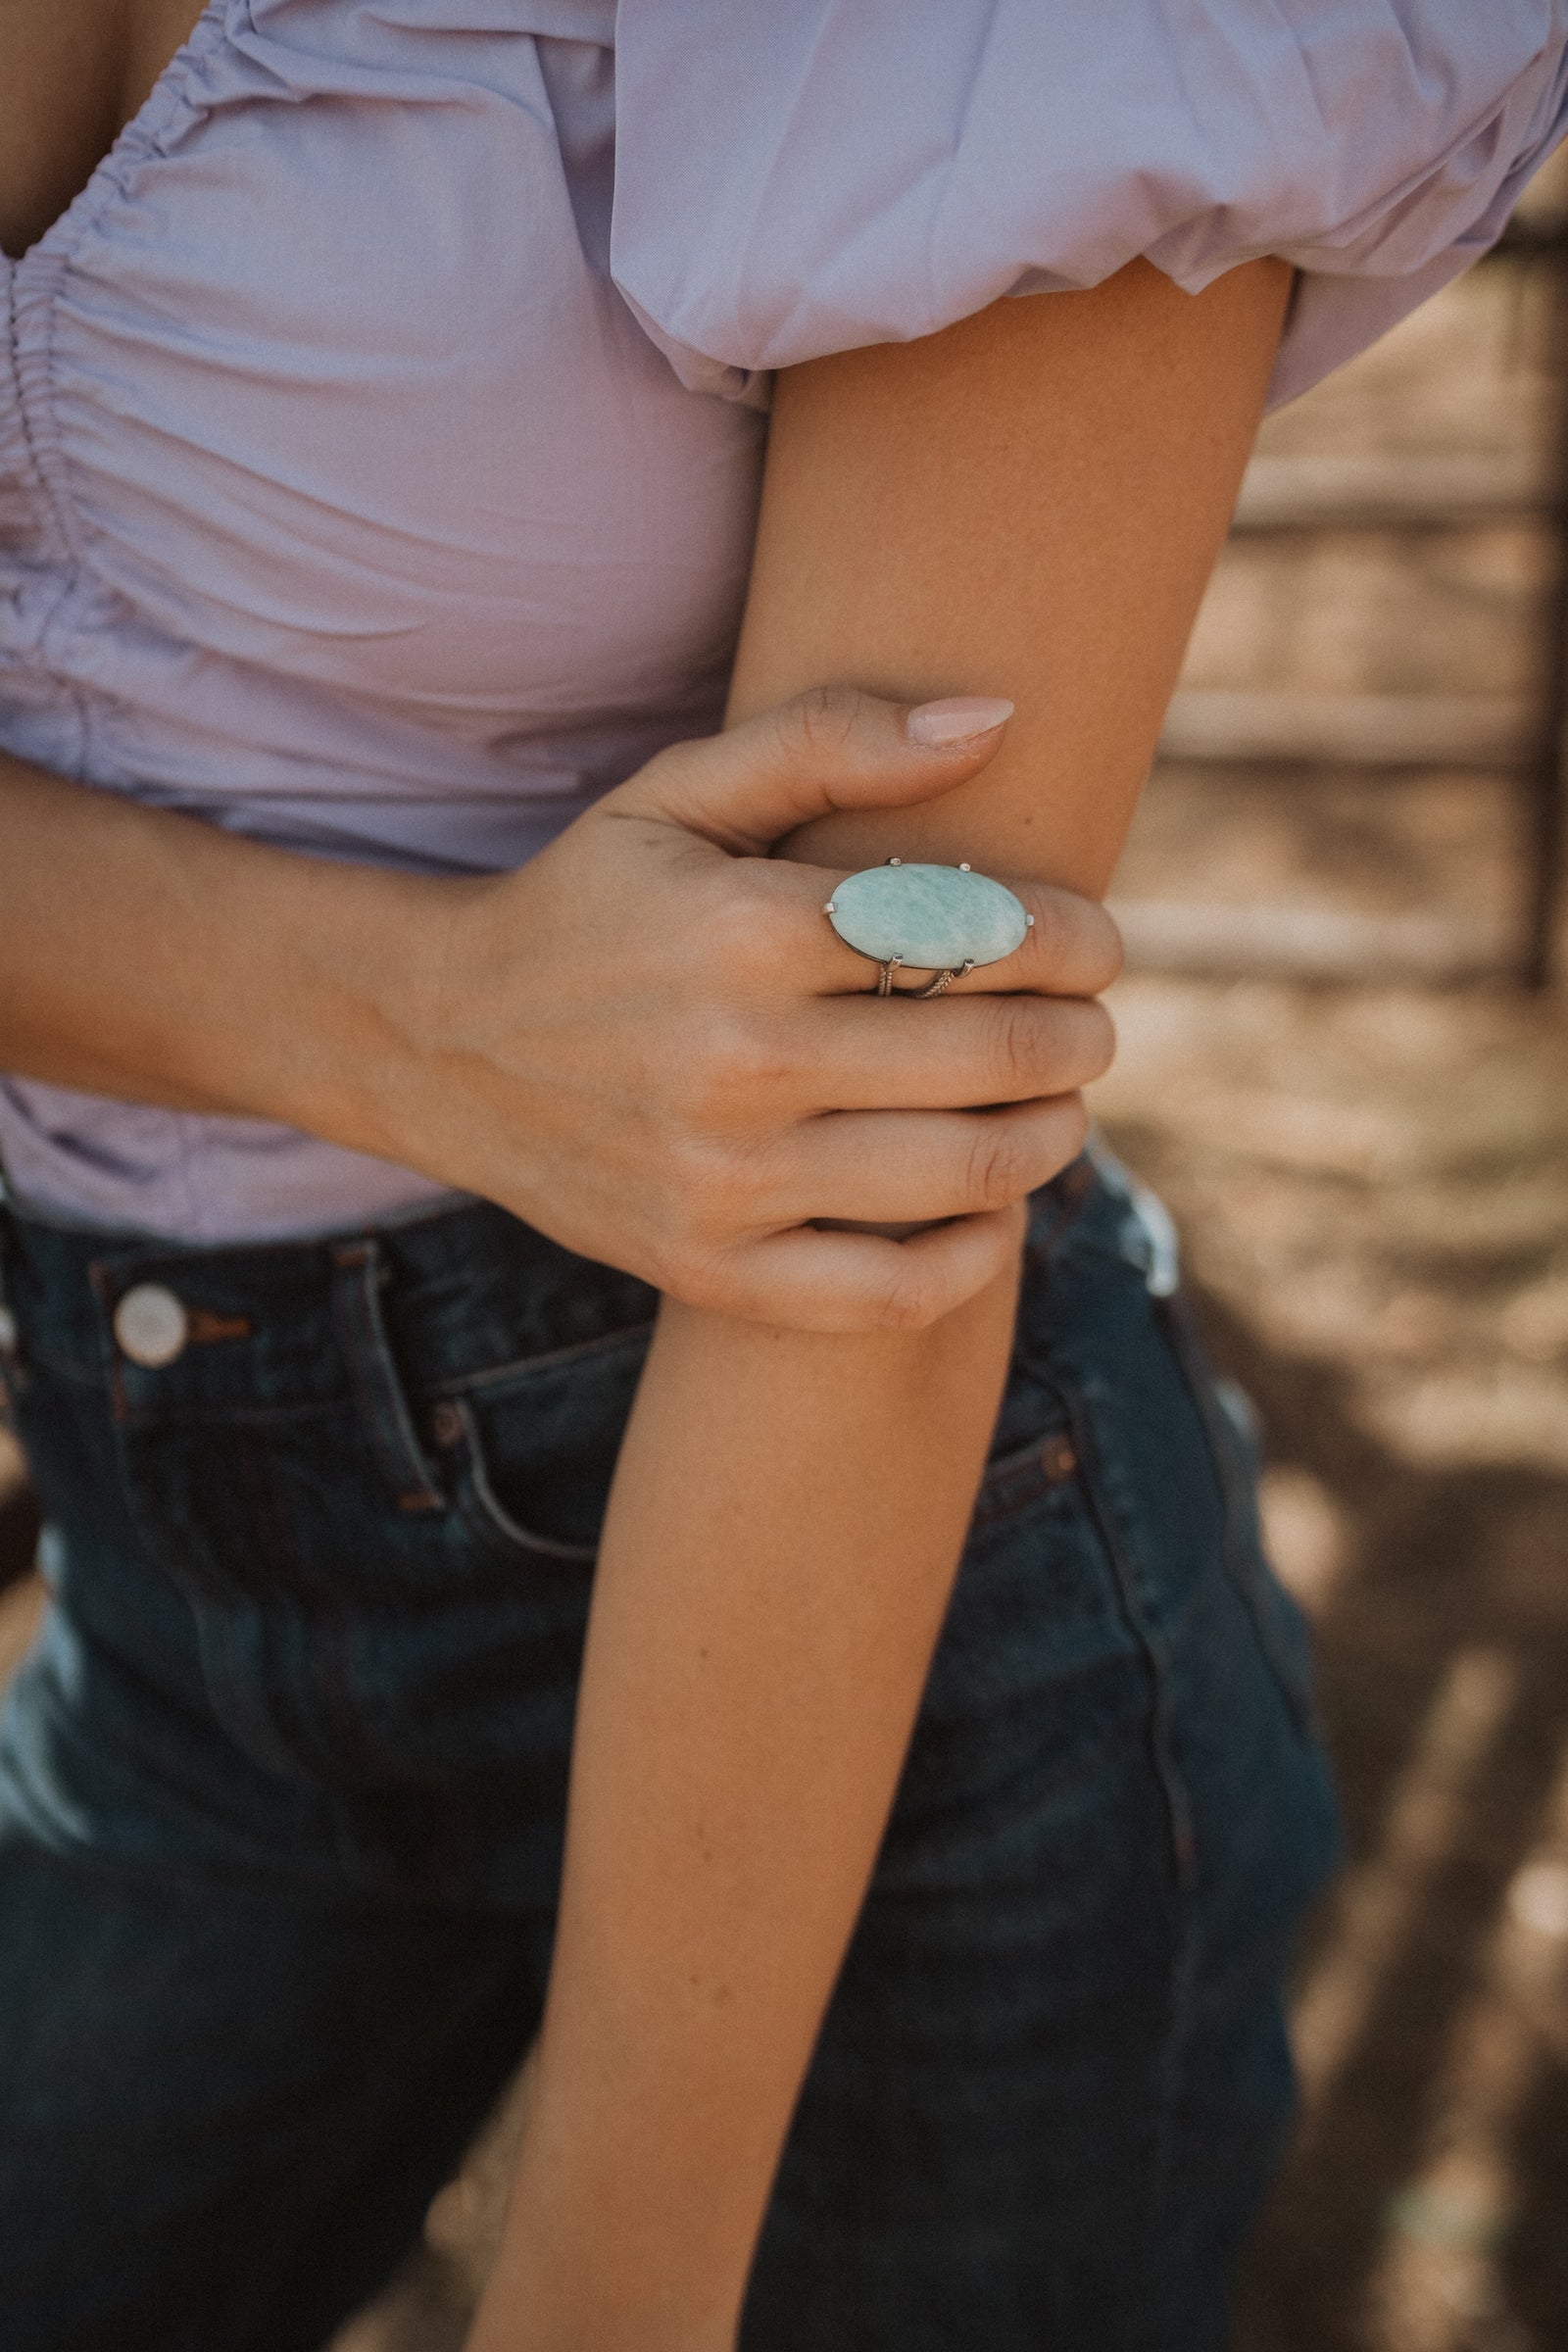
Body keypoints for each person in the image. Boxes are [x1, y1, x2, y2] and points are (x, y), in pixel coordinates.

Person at [0, 5, 1561, 2347]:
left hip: (860, 1643)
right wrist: (421, 1020)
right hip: (177, 1564)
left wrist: (602, 2294)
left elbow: (863, 1169)